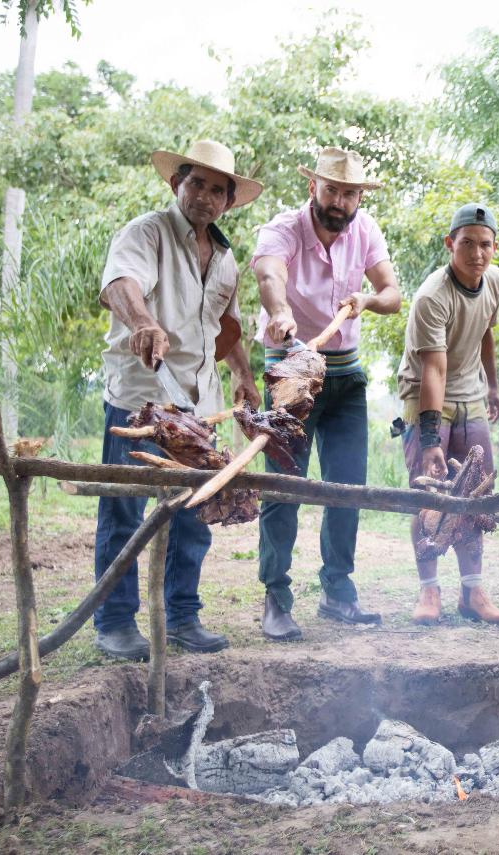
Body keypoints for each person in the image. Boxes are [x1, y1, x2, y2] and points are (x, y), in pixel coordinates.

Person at [93, 140, 264, 660]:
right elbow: (119, 283)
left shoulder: (228, 258)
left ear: (229, 202)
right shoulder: (147, 233)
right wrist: (144, 322)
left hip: (199, 400)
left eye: (218, 190)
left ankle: (183, 617)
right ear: (176, 184)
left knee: (194, 510)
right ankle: (115, 622)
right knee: (125, 509)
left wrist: (243, 375)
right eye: (197, 184)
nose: (206, 197)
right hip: (142, 397)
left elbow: (224, 326)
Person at [252, 146, 401, 641]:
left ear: (359, 198)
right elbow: (269, 273)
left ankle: (338, 591)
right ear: (313, 188)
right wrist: (278, 312)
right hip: (291, 369)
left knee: (347, 487)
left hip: (347, 377)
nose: (340, 202)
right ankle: (276, 597)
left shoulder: (366, 229)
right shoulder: (283, 228)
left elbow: (392, 295)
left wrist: (368, 299)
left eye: (350, 193)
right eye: (332, 190)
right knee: (285, 486)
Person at [396, 203, 499, 626]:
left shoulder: (494, 280)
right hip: (427, 398)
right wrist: (429, 442)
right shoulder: (433, 295)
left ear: (494, 248)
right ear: (450, 244)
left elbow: (485, 333)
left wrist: (492, 386)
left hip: (470, 395)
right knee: (432, 495)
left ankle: (473, 592)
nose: (476, 254)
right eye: (467, 244)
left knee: (476, 497)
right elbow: (434, 370)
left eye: (485, 245)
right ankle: (429, 592)